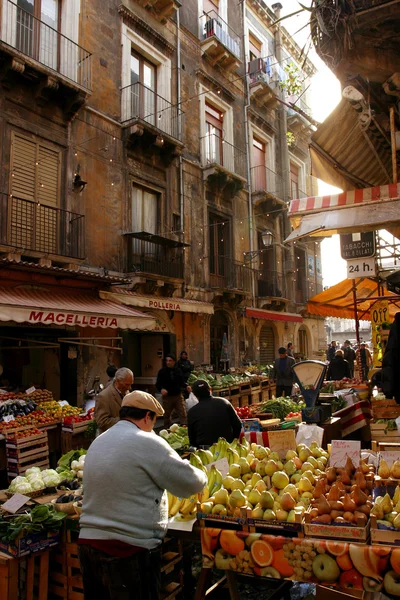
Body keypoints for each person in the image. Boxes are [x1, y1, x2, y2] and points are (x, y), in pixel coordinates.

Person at [78, 390, 207, 599]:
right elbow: (191, 482)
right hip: (127, 551)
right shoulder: (146, 441)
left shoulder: (99, 441)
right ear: (148, 417)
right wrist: (204, 473)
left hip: (88, 547)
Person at [187, 379, 242, 447]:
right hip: (227, 448)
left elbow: (192, 439)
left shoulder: (192, 412)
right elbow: (238, 424)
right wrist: (234, 441)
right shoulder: (224, 402)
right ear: (210, 389)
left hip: (206, 452)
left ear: (194, 394)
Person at [95, 367, 134, 434]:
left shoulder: (126, 392)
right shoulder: (104, 396)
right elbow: (102, 422)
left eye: (131, 384)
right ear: (118, 381)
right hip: (111, 437)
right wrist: (125, 420)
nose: (129, 387)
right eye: (127, 384)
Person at [156, 354, 189, 429]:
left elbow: (182, 382)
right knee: (166, 415)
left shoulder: (178, 371)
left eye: (170, 361)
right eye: (167, 361)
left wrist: (187, 386)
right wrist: (161, 389)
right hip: (167, 397)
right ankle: (167, 429)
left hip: (177, 395)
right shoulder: (162, 372)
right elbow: (158, 384)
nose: (168, 362)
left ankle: (184, 428)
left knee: (182, 412)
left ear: (174, 362)